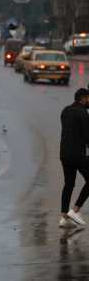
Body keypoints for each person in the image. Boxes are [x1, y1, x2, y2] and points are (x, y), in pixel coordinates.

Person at [59, 88, 89, 228]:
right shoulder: (83, 113)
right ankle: (75, 210)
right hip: (77, 154)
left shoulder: (65, 110)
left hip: (64, 153)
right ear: (83, 98)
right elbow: (87, 136)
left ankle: (64, 217)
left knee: (69, 184)